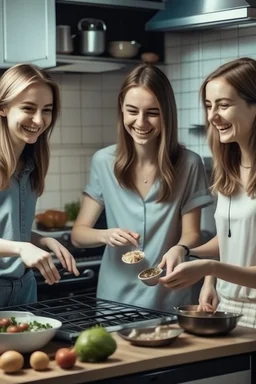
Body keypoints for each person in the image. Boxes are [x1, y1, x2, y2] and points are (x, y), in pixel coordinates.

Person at [71, 64, 212, 312]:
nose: (141, 122)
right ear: (122, 111)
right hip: (112, 300)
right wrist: (105, 235)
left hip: (169, 295)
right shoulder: (103, 161)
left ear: (167, 113)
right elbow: (79, 234)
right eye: (132, 111)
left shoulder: (189, 163)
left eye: (152, 112)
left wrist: (180, 248)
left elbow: (193, 232)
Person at [159, 57, 256, 328]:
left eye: (223, 105)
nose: (212, 116)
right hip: (227, 308)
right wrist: (185, 251)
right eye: (208, 105)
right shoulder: (231, 169)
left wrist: (209, 269)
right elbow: (232, 241)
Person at [0, 63, 79, 308]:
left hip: (24, 287)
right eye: (28, 108)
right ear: (3, 107)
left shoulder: (31, 162)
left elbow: (7, 230)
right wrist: (21, 247)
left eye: (47, 110)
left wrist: (41, 240)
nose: (38, 120)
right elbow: (14, 243)